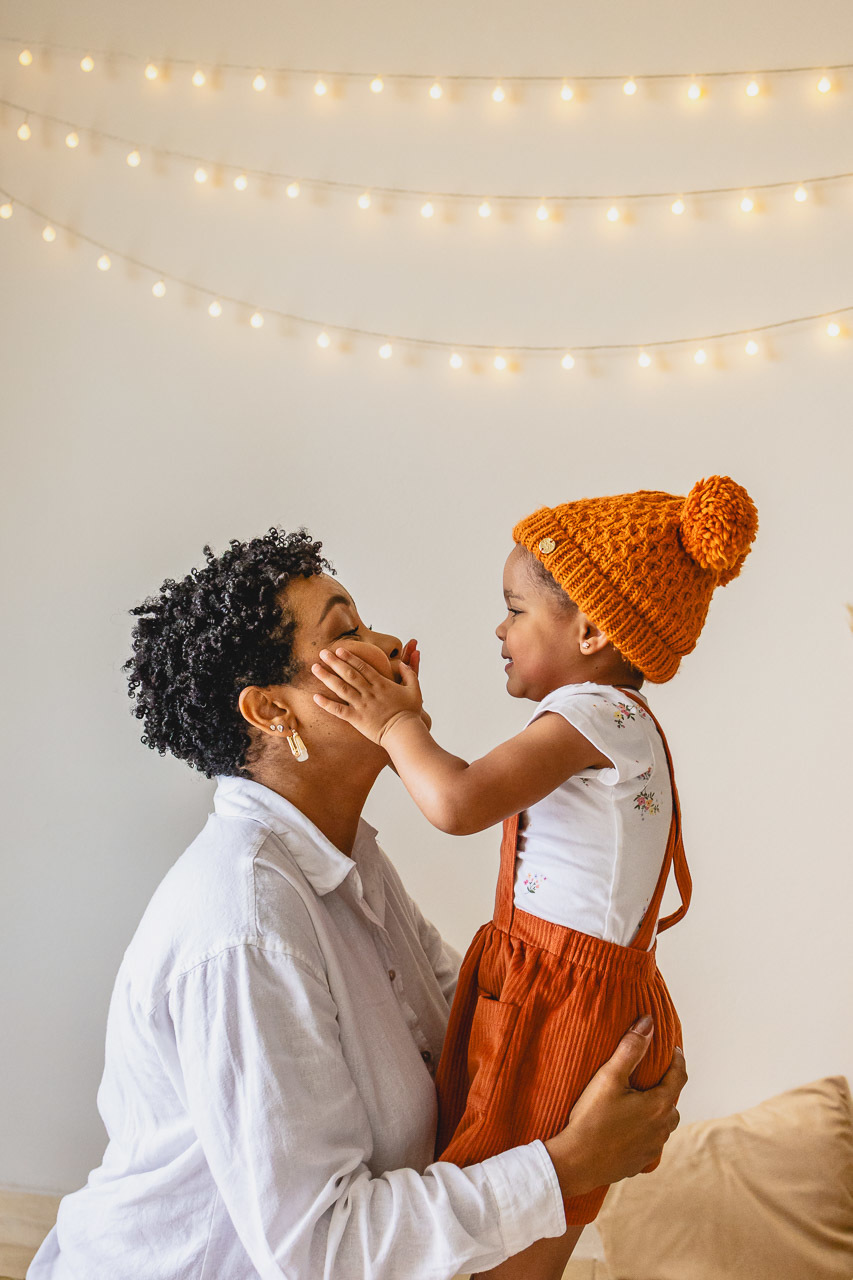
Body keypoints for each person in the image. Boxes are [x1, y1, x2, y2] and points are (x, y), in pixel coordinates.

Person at [28, 528, 686, 1280]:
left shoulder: (346, 863)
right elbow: (322, 1251)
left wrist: (606, 1063)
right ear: (272, 711)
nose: (394, 645)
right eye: (347, 633)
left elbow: (458, 1032)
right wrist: (564, 1167)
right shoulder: (245, 928)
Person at [312, 477, 758, 1280]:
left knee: (508, 1236)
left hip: (560, 999)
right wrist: (406, 726)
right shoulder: (612, 720)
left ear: (588, 629)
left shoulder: (593, 714)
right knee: (514, 1218)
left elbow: (454, 800)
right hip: (566, 985)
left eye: (515, 608)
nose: (499, 626)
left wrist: (390, 724)